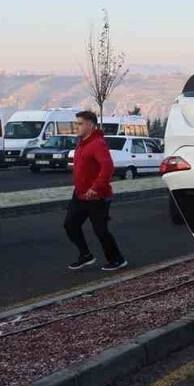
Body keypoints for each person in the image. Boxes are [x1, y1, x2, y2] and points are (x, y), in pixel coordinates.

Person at [65, 110, 127, 272]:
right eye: (76, 123)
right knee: (70, 225)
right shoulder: (81, 143)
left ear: (90, 125)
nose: (76, 127)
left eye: (80, 124)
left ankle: (117, 259)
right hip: (80, 195)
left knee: (100, 231)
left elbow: (108, 167)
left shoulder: (98, 143)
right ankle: (85, 255)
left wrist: (95, 187)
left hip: (97, 196)